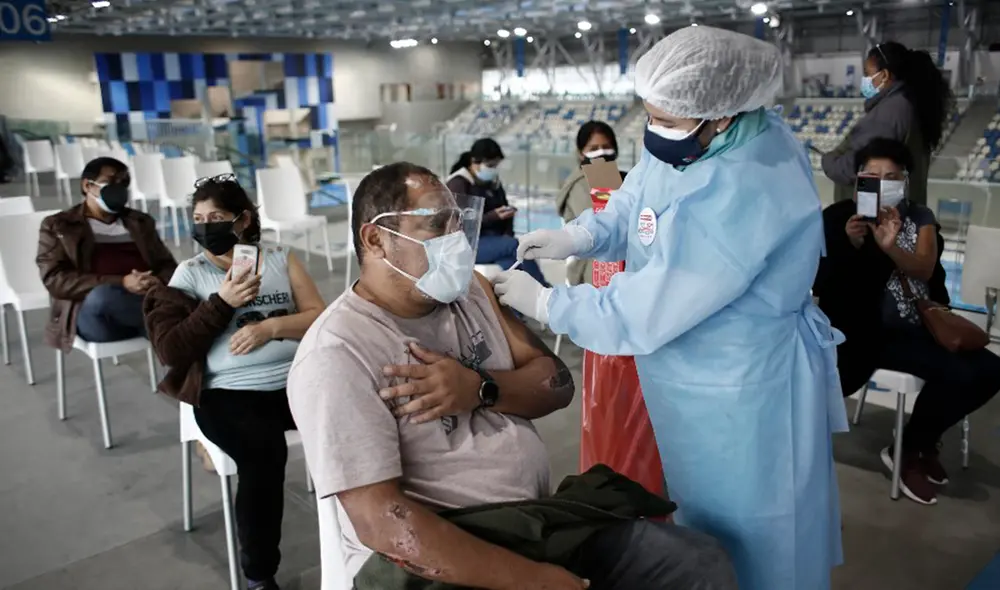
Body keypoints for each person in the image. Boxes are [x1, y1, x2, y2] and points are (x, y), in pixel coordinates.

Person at [492, 26, 848, 590]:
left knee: (757, 536)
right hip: (692, 387)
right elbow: (638, 204)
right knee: (702, 523)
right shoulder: (692, 139)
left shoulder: (747, 183)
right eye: (650, 114)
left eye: (668, 118)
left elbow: (651, 303)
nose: (655, 129)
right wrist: (582, 236)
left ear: (723, 115)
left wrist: (548, 302)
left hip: (742, 392)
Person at [287, 162, 737, 589]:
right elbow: (383, 522)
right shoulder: (338, 354)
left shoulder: (471, 293)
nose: (456, 240)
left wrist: (480, 388)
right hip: (447, 557)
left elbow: (556, 382)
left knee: (699, 561)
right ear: (376, 239)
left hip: (534, 525)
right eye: (436, 225)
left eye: (457, 223)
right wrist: (533, 580)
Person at [143, 175, 325, 590]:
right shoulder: (188, 275)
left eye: (217, 217)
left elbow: (319, 314)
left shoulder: (280, 258)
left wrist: (272, 327)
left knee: (361, 416)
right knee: (264, 456)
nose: (206, 225)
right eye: (199, 218)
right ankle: (260, 574)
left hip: (295, 379)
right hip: (228, 393)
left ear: (242, 220)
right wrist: (223, 302)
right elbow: (171, 350)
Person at [814, 138, 1000, 506]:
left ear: (905, 181)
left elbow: (928, 273)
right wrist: (849, 246)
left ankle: (916, 442)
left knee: (991, 369)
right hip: (868, 335)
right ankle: (911, 451)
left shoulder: (917, 219)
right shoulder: (837, 218)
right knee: (960, 374)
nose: (881, 183)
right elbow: (822, 286)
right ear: (857, 179)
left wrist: (891, 247)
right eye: (872, 175)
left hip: (919, 325)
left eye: (891, 176)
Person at [37, 157, 176, 350]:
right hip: (97, 317)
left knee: (190, 291)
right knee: (104, 296)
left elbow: (168, 266)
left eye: (124, 183)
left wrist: (156, 281)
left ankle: (175, 335)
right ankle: (176, 323)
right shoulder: (60, 226)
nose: (119, 188)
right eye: (110, 182)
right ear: (87, 185)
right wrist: (122, 282)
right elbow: (55, 279)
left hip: (146, 305)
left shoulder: (140, 222)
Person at [822, 41, 953, 205]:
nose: (864, 80)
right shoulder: (909, 104)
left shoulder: (888, 113)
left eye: (867, 73)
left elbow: (852, 169)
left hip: (883, 219)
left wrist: (828, 160)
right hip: (904, 213)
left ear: (884, 75)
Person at [445, 138, 549, 286]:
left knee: (511, 264)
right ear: (474, 161)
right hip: (468, 244)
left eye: (496, 165)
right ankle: (545, 290)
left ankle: (521, 306)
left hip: (493, 241)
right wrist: (493, 217)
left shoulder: (493, 183)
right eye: (490, 165)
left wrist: (507, 228)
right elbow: (461, 222)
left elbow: (504, 206)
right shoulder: (458, 184)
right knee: (515, 246)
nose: (493, 169)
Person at [556, 121, 628, 285]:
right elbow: (597, 228)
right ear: (581, 153)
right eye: (593, 149)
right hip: (592, 265)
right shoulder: (580, 184)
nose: (601, 152)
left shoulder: (623, 178)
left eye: (606, 146)